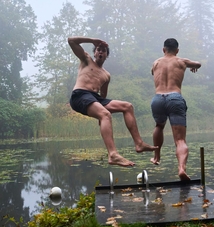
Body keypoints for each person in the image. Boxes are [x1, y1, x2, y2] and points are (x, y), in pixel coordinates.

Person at [67, 36, 157, 167]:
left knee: (127, 106)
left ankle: (139, 143)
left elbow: (103, 95)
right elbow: (71, 40)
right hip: (79, 95)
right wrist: (93, 41)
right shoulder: (86, 60)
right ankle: (113, 154)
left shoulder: (106, 75)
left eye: (103, 50)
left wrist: (100, 112)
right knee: (105, 115)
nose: (100, 52)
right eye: (98, 50)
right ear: (94, 53)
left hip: (95, 98)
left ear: (106, 55)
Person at [150, 38, 201, 181]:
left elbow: (152, 72)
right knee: (180, 140)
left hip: (158, 98)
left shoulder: (156, 62)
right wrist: (193, 66)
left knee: (159, 126)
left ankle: (156, 156)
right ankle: (181, 169)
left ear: (163, 49)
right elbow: (198, 64)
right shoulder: (181, 61)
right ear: (177, 50)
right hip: (175, 97)